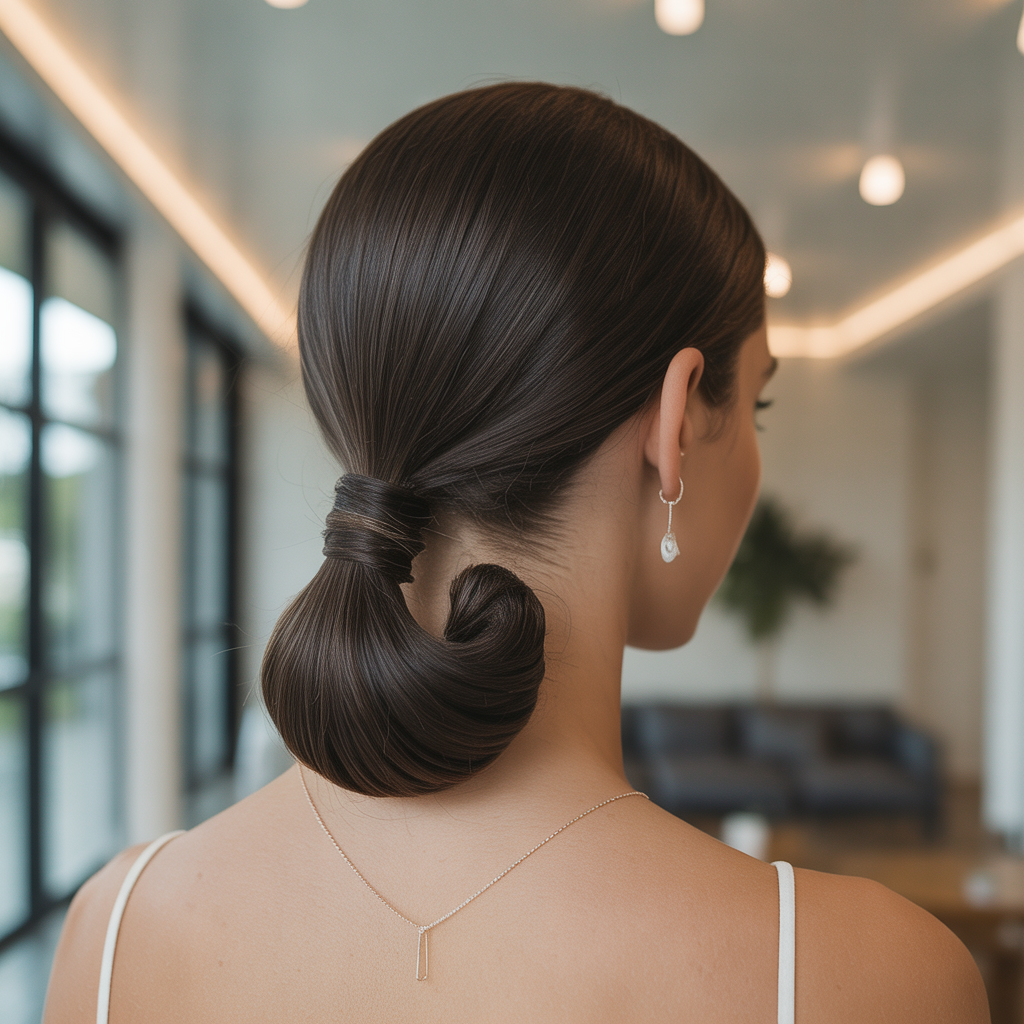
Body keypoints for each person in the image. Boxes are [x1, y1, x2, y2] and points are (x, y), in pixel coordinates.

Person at [43, 82, 988, 1024]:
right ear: (675, 420)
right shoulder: (865, 979)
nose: (755, 458)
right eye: (757, 406)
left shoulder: (113, 931)